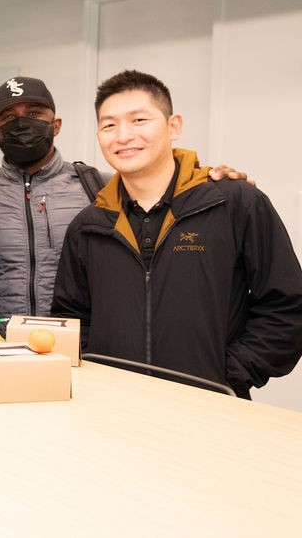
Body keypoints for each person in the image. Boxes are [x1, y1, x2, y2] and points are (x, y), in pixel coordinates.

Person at [51, 70, 302, 397]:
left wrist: (229, 373)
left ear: (174, 126)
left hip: (212, 409)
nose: (123, 135)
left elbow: (286, 306)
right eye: (109, 124)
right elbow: (71, 318)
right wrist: (97, 376)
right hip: (112, 409)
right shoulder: (88, 226)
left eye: (139, 120)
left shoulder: (234, 203)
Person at [0, 76, 251, 322]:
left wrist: (210, 178)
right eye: (9, 118)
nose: (21, 124)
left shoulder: (101, 188)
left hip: (86, 354)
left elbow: (160, 188)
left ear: (55, 125)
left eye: (33, 114)